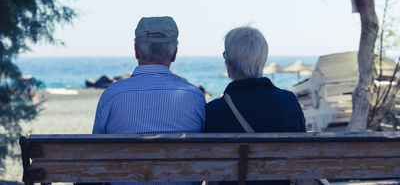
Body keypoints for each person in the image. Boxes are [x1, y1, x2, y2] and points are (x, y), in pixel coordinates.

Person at [92, 16, 205, 185]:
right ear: (174, 53)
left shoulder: (112, 96)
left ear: (136, 51)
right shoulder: (195, 97)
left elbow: (93, 154)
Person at [204, 26, 306, 185]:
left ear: (228, 63)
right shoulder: (289, 102)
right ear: (263, 60)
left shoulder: (213, 111)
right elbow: (300, 154)